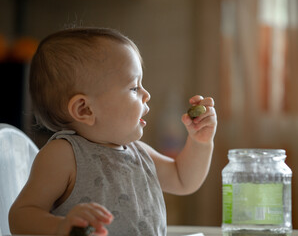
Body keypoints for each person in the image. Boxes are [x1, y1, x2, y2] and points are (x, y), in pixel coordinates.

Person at [8, 27, 217, 236]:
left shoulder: (140, 153)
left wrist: (200, 142)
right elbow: (21, 215)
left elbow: (183, 180)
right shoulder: (64, 155)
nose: (146, 94)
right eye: (134, 88)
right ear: (85, 109)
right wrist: (61, 227)